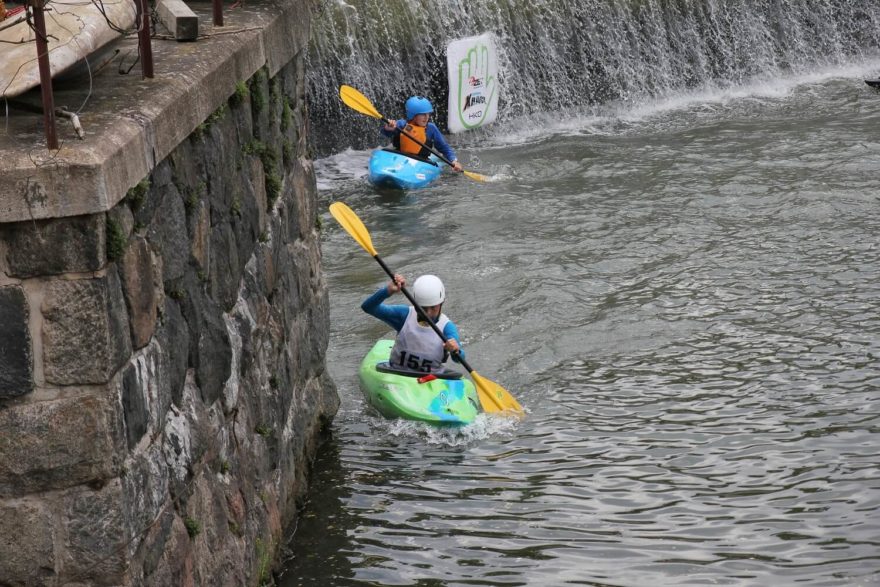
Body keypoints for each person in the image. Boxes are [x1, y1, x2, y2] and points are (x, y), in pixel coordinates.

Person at [361, 273, 464, 374]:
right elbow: (368, 307)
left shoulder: (447, 327)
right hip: (396, 373)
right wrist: (388, 290)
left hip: (431, 381)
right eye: (422, 308)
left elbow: (459, 359)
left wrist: (456, 350)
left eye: (433, 307)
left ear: (441, 303)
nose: (427, 313)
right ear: (415, 303)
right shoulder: (404, 315)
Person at [381, 96, 464, 172]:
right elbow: (385, 133)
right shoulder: (401, 125)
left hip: (421, 162)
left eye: (428, 114)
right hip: (399, 158)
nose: (426, 117)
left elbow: (444, 148)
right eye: (423, 114)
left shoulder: (431, 128)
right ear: (412, 115)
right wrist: (388, 128)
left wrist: (454, 161)